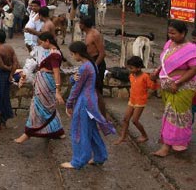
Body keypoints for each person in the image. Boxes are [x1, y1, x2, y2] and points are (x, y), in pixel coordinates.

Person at [60, 41, 115, 169]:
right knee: (91, 130)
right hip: (91, 100)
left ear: (78, 54)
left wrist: (69, 104)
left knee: (79, 131)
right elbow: (77, 80)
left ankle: (78, 161)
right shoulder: (92, 65)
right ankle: (100, 156)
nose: (72, 57)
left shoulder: (85, 67)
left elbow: (76, 88)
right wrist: (73, 78)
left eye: (73, 54)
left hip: (83, 102)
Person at [150, 21, 196, 157]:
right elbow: (164, 62)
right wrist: (157, 71)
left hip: (182, 87)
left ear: (183, 34)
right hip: (168, 85)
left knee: (176, 114)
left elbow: (194, 69)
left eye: (174, 33)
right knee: (170, 114)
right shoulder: (169, 44)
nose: (171, 36)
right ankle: (172, 141)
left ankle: (167, 146)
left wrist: (179, 82)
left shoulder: (191, 49)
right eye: (169, 32)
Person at [14, 33, 65, 143]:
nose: (41, 45)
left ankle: (28, 132)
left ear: (47, 41)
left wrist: (57, 90)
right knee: (48, 108)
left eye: (42, 43)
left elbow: (56, 73)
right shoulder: (52, 53)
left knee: (37, 107)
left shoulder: (55, 54)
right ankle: (57, 131)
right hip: (44, 81)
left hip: (47, 82)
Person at [114, 56, 159, 145]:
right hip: (132, 100)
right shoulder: (131, 76)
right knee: (125, 119)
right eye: (129, 68)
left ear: (138, 68)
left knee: (135, 120)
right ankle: (123, 137)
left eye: (131, 68)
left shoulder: (145, 76)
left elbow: (153, 87)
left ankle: (144, 135)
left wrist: (154, 80)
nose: (130, 70)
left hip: (140, 101)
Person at [0, 29, 18, 133]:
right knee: (4, 98)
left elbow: (2, 66)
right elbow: (15, 63)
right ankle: (3, 122)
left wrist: (9, 70)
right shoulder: (9, 48)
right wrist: (11, 75)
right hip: (5, 77)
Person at [79, 16, 107, 117]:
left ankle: (104, 117)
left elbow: (102, 53)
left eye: (80, 23)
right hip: (91, 62)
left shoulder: (94, 34)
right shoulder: (87, 34)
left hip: (97, 63)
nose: (79, 25)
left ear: (83, 25)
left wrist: (94, 66)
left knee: (97, 92)